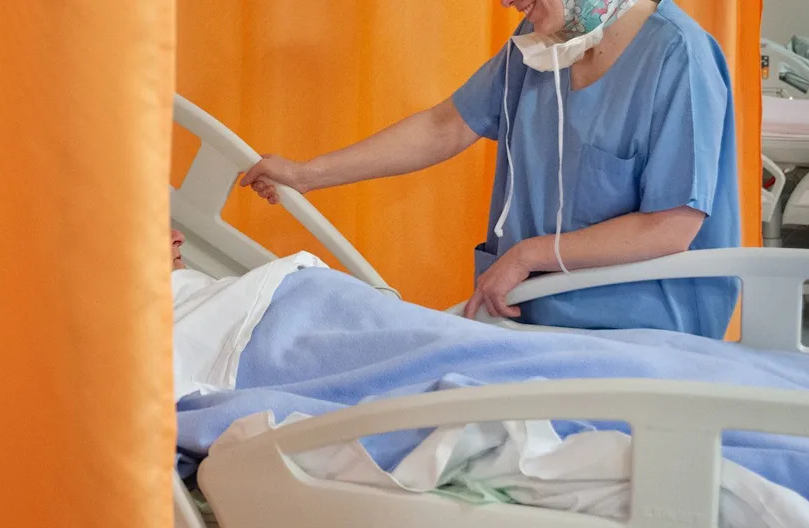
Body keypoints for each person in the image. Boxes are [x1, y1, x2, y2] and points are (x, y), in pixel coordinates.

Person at [239, 0, 740, 339]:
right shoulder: (545, 42)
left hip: (642, 331)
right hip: (530, 319)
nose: (507, 3)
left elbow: (671, 228)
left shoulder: (680, 57)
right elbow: (445, 126)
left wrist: (527, 255)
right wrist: (306, 174)